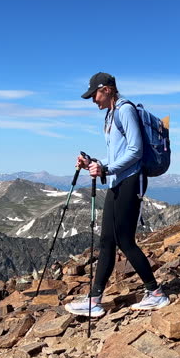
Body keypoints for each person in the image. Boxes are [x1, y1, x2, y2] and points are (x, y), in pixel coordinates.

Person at [63, 72, 170, 317]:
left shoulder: (124, 110)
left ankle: (156, 293)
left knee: (124, 239)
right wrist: (93, 162)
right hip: (117, 180)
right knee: (107, 240)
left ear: (108, 89)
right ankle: (94, 300)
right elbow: (117, 155)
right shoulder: (111, 115)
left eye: (95, 94)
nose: (93, 100)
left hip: (130, 181)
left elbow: (135, 150)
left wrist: (107, 168)